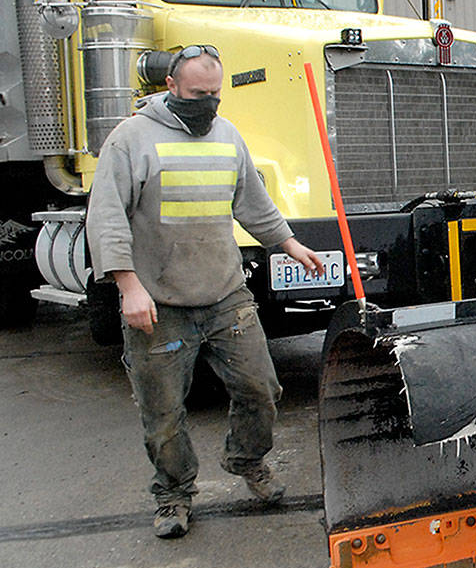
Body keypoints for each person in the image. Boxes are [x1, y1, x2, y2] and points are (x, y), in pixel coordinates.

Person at [87, 44, 324, 539]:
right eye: (198, 94)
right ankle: (174, 495)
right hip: (160, 304)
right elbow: (106, 218)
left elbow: (252, 203)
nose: (208, 104)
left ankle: (247, 460)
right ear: (170, 87)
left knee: (262, 390)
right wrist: (128, 286)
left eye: (215, 94)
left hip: (226, 296)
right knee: (164, 414)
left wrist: (291, 245)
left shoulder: (228, 136)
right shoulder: (131, 139)